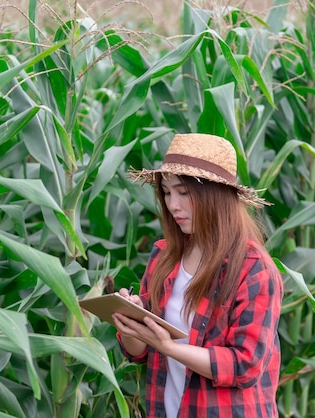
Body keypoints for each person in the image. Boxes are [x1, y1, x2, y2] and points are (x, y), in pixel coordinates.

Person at [113, 133, 283, 418]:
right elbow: (139, 353)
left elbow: (245, 365)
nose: (172, 205)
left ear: (214, 195)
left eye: (183, 192)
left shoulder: (254, 269)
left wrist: (168, 346)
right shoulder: (164, 257)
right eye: (166, 193)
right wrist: (132, 324)